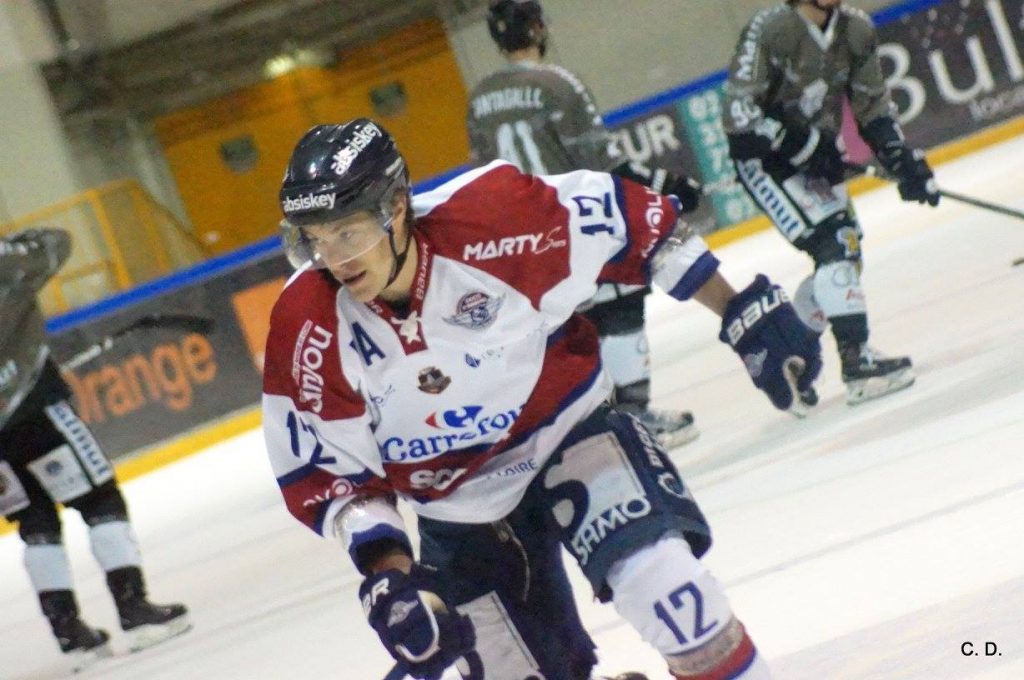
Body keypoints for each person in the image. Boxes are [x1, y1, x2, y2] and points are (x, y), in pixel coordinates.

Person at [263, 119, 821, 679]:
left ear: (397, 208)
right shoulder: (306, 324)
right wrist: (393, 580)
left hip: (571, 437)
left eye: (348, 232)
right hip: (456, 512)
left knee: (674, 597)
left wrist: (738, 310)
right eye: (313, 239)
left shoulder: (496, 217)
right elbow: (336, 477)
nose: (335, 258)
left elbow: (635, 224)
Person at [466, 0, 706, 448]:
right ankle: (633, 415)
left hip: (524, 239)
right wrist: (669, 185)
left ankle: (594, 419)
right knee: (620, 309)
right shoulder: (558, 83)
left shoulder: (479, 101)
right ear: (538, 28)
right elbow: (602, 162)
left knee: (571, 325)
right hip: (576, 222)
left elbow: (484, 175)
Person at [722, 0, 940, 404]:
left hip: (816, 158)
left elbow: (872, 108)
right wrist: (799, 144)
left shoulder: (856, 29)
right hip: (767, 163)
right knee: (834, 243)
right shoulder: (770, 29)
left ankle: (792, 356)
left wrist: (902, 160)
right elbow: (738, 114)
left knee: (846, 256)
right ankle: (857, 362)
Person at [0, 228, 190, 670]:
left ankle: (70, 633)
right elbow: (56, 244)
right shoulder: (9, 261)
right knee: (101, 497)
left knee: (34, 520)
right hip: (36, 407)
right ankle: (134, 608)